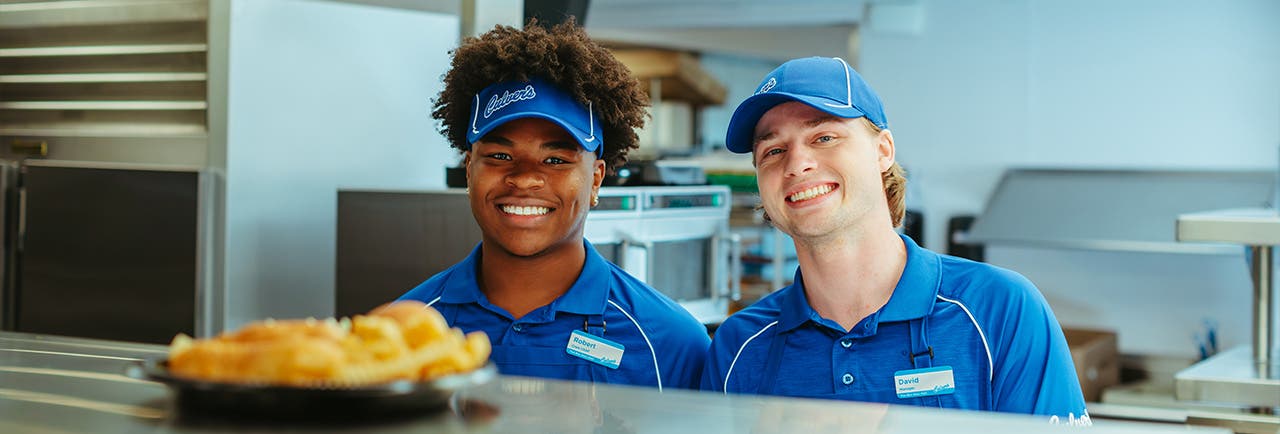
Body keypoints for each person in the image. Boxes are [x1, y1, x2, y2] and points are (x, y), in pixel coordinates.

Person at [700, 56, 1089, 424]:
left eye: (824, 137)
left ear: (883, 150)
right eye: (774, 150)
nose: (797, 164)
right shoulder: (739, 348)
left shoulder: (999, 310)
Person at [397, 21, 709, 390]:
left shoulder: (673, 344)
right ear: (469, 170)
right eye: (499, 155)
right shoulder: (402, 333)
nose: (525, 178)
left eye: (556, 160)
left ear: (596, 178)